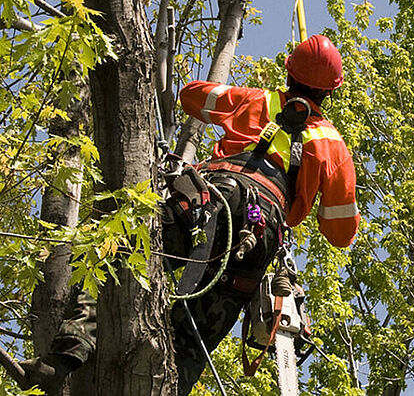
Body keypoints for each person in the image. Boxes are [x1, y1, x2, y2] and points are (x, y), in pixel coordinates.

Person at [20, 34, 360, 395]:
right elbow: (341, 234)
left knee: (122, 257)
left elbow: (191, 96)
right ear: (331, 93)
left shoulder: (258, 100)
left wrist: (248, 103)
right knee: (189, 345)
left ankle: (62, 356)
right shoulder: (332, 146)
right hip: (260, 234)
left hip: (208, 200)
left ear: (289, 73)